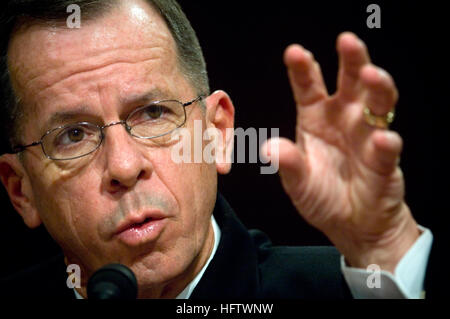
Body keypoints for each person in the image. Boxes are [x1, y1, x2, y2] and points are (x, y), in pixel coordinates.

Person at [0, 0, 433, 299]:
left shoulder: (348, 290)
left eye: (152, 113)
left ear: (218, 134)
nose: (124, 166)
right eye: (73, 136)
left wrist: (382, 249)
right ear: (22, 191)